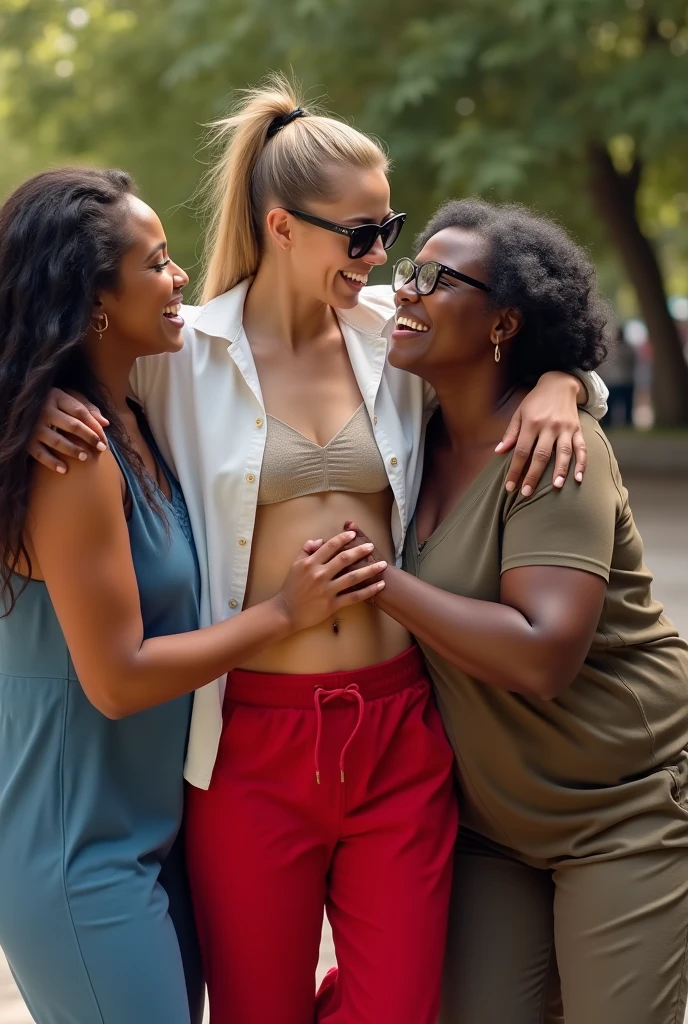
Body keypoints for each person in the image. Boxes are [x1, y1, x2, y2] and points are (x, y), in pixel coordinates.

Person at [30, 78, 608, 1024]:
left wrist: (560, 386)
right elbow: (45, 343)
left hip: (397, 733)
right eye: (361, 234)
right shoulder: (183, 355)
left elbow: (530, 342)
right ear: (282, 227)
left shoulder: (397, 336)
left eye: (390, 226)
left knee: (399, 1009)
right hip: (250, 744)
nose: (384, 256)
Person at [0, 168, 384, 1024]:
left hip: (158, 834)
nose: (180, 279)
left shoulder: (131, 415)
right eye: (156, 263)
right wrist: (282, 616)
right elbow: (118, 677)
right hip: (77, 850)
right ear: (93, 298)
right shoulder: (71, 454)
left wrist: (561, 381)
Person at [344, 198, 688, 1024]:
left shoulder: (556, 450)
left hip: (625, 805)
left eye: (436, 278)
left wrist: (378, 580)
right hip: (491, 824)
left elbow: (542, 655)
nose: (406, 292)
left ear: (504, 324)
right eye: (405, 272)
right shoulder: (408, 429)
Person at [600, 326, 636, 427]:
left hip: (618, 380)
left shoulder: (612, 349)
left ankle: (611, 422)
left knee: (616, 404)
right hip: (621, 380)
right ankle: (624, 422)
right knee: (623, 404)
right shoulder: (628, 349)